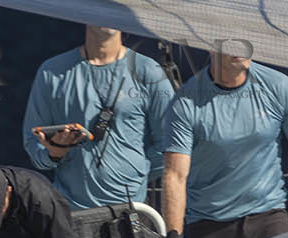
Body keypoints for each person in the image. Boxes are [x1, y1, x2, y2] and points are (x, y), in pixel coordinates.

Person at [159, 50, 288, 238]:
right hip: (209, 226)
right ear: (210, 46)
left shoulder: (280, 86)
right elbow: (175, 175)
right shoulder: (184, 103)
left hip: (269, 217)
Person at [21, 25, 174, 210]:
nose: (107, 15)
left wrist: (135, 173)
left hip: (132, 209)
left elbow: (169, 144)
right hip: (71, 211)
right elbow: (33, 143)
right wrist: (55, 153)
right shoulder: (52, 71)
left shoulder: (149, 71)